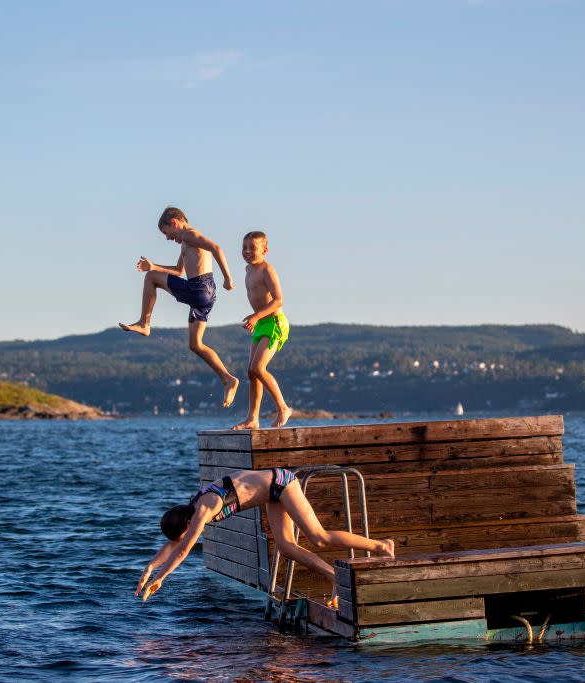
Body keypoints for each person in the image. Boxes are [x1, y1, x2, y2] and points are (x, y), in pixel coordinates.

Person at [136, 468, 394, 606]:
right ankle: (334, 576)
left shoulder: (204, 508)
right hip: (271, 493)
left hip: (281, 483)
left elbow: (182, 550)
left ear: (188, 523)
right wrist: (150, 566)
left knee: (319, 537)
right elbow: (174, 544)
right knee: (286, 546)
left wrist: (162, 578)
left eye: (187, 532)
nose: (188, 535)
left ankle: (381, 546)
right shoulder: (192, 509)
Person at [119, 206, 239, 407]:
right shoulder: (186, 242)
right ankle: (228, 379)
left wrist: (228, 278)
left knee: (150, 279)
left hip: (199, 287)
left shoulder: (190, 235)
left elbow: (216, 248)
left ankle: (144, 323)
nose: (167, 238)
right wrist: (154, 266)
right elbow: (177, 271)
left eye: (166, 233)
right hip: (205, 294)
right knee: (195, 345)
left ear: (174, 222)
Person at [232, 231, 291, 429]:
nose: (247, 251)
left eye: (253, 248)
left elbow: (278, 300)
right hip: (261, 324)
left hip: (274, 323)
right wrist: (256, 320)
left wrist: (256, 316)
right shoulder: (248, 270)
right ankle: (252, 418)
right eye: (244, 248)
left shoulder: (267, 270)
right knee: (251, 372)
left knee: (258, 368)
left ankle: (283, 408)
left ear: (265, 250)